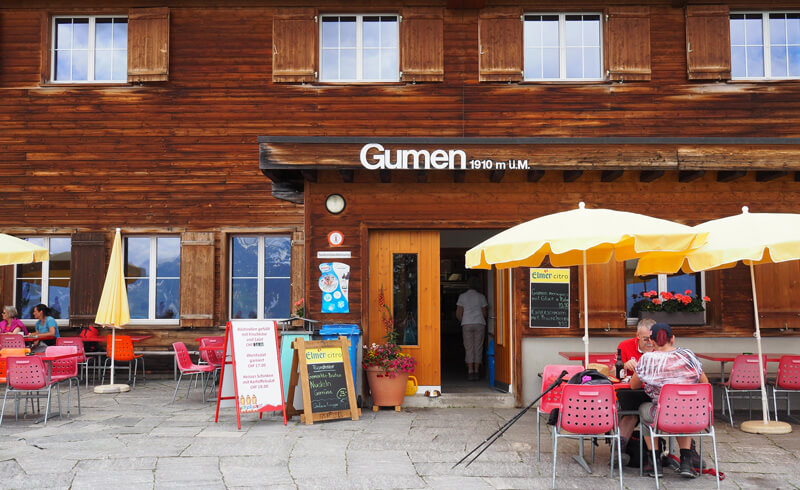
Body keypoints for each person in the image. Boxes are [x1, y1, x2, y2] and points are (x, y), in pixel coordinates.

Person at [630, 323, 709, 479]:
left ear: (651, 342)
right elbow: (704, 383)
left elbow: (634, 386)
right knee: (682, 411)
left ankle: (654, 462)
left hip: (662, 414)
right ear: (672, 339)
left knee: (644, 410)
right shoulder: (688, 355)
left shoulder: (647, 359)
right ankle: (686, 461)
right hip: (693, 413)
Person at [615, 318, 656, 464]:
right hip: (631, 391)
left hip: (655, 392)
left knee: (656, 411)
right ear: (637, 335)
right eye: (645, 339)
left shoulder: (661, 346)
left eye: (653, 338)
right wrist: (624, 366)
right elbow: (614, 371)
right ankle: (618, 451)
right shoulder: (625, 346)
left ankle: (657, 454)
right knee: (630, 412)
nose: (650, 342)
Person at [456, 276, 488, 381]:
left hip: (467, 323)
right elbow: (484, 313)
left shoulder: (462, 296)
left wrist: (463, 320)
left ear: (468, 285)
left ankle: (470, 371)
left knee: (469, 347)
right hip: (479, 323)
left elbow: (458, 313)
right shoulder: (481, 296)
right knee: (478, 347)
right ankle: (477, 371)